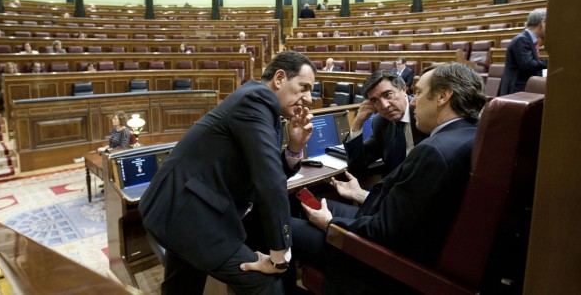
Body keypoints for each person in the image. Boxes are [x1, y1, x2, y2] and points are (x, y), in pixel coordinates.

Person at [290, 63, 487, 293]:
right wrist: (357, 126)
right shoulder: (471, 134)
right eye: (375, 100)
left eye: (420, 92)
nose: (414, 101)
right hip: (388, 219)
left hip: (377, 254)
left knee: (284, 222)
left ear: (443, 96)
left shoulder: (434, 149)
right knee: (302, 203)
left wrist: (329, 224)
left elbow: (384, 232)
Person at [139, 51, 317, 294]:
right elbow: (270, 181)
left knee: (182, 285)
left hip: (185, 209)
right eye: (303, 87)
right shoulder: (257, 98)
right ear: (279, 78)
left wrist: (294, 148)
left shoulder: (262, 107)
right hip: (190, 213)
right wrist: (279, 255)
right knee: (265, 282)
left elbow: (261, 173)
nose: (308, 98)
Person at [343, 70, 427, 179]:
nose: (384, 105)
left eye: (388, 95)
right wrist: (357, 123)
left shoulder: (424, 115)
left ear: (403, 89)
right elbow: (357, 167)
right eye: (375, 101)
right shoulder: (381, 122)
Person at [498, 8, 548, 96]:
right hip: (516, 90)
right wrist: (549, 62)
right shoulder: (522, 40)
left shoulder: (527, 39)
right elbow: (528, 65)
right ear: (542, 23)